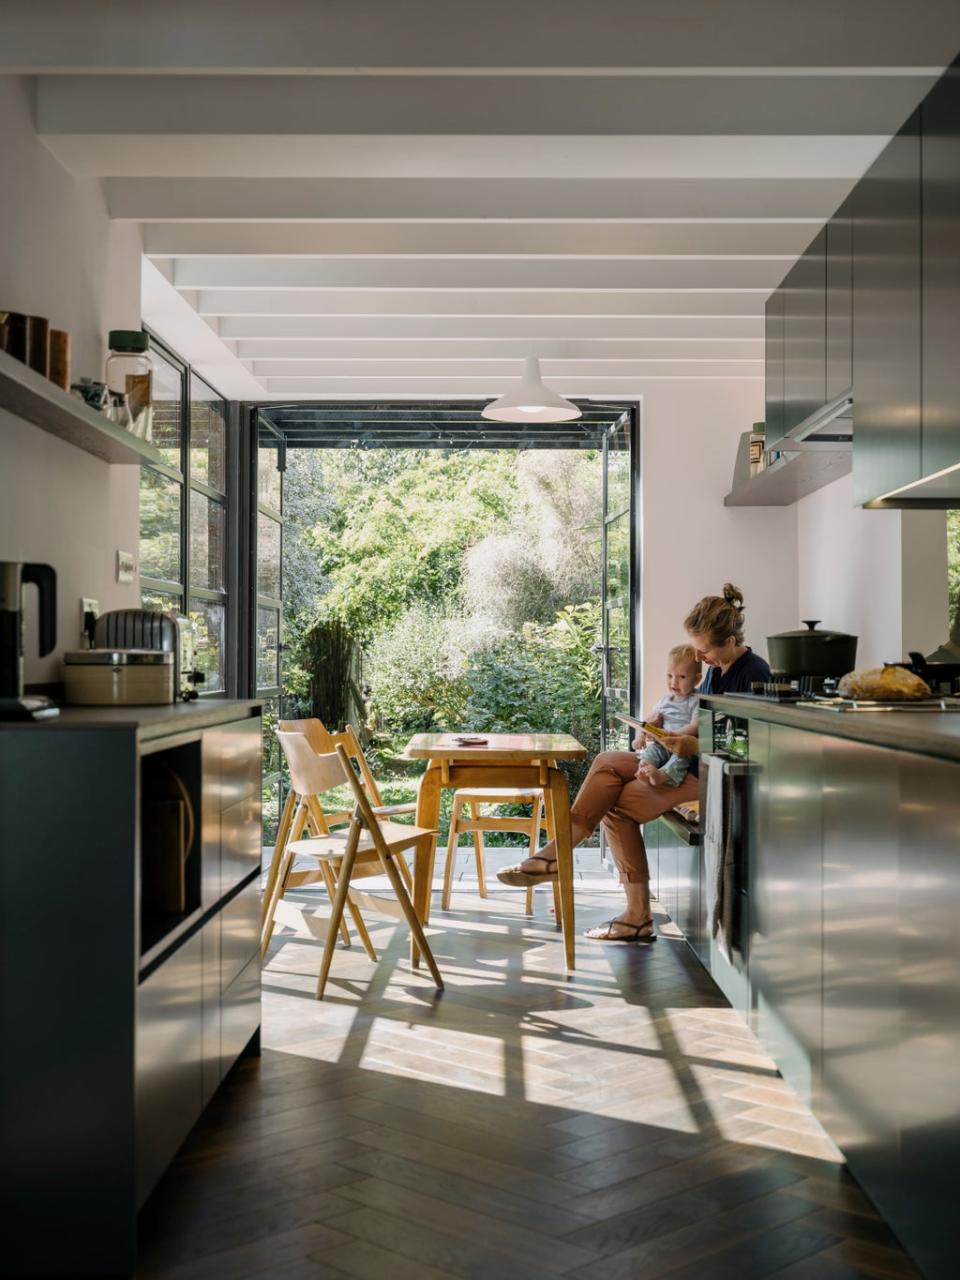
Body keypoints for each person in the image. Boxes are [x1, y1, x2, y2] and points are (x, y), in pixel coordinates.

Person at [497, 583, 771, 942]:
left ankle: (633, 913)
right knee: (607, 762)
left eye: (704, 651)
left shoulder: (754, 673)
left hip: (706, 773)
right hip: (685, 759)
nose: (700, 659)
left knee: (618, 805)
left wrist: (686, 744)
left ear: (731, 641)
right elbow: (703, 723)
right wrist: (661, 733)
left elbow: (744, 742)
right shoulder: (719, 670)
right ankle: (556, 855)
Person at [636, 643, 701, 788]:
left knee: (681, 758)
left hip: (682, 745)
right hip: (662, 743)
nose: (674, 682)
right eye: (669, 676)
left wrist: (671, 735)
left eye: (682, 677)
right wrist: (641, 736)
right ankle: (645, 770)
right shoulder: (665, 700)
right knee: (650, 752)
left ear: (696, 679)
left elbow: (695, 726)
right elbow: (650, 720)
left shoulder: (696, 700)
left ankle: (662, 776)